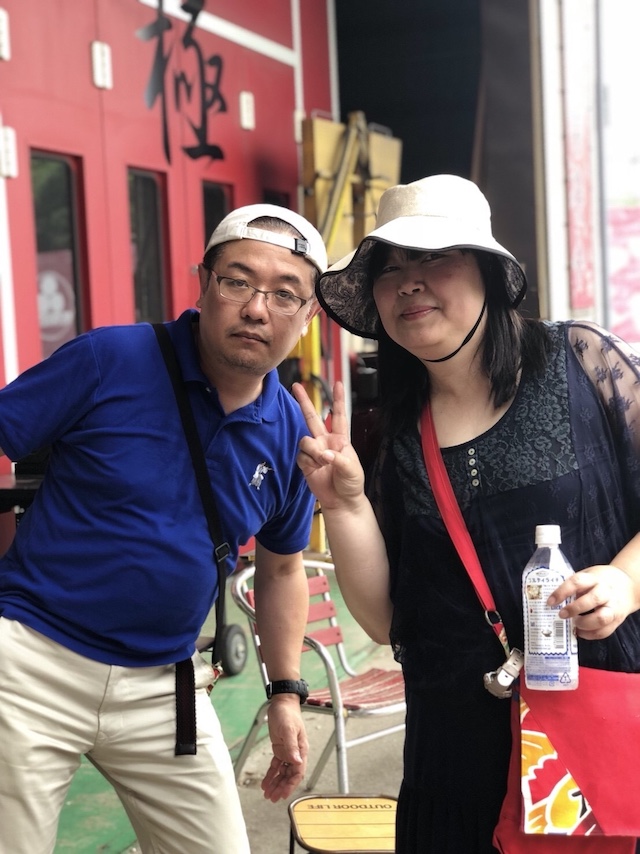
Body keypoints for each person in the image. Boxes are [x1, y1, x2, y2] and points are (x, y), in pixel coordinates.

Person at [292, 175, 640, 853]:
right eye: (390, 269)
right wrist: (345, 504)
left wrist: (625, 582)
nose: (408, 283)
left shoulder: (580, 361)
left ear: (487, 272)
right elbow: (388, 621)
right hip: (453, 755)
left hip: (590, 734)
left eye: (432, 257)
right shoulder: (395, 432)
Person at [0, 203, 326, 854]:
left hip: (167, 683)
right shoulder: (110, 358)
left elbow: (283, 566)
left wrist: (286, 693)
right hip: (32, 666)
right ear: (203, 281)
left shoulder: (291, 433)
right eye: (238, 281)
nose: (257, 309)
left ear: (309, 315)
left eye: (285, 293)